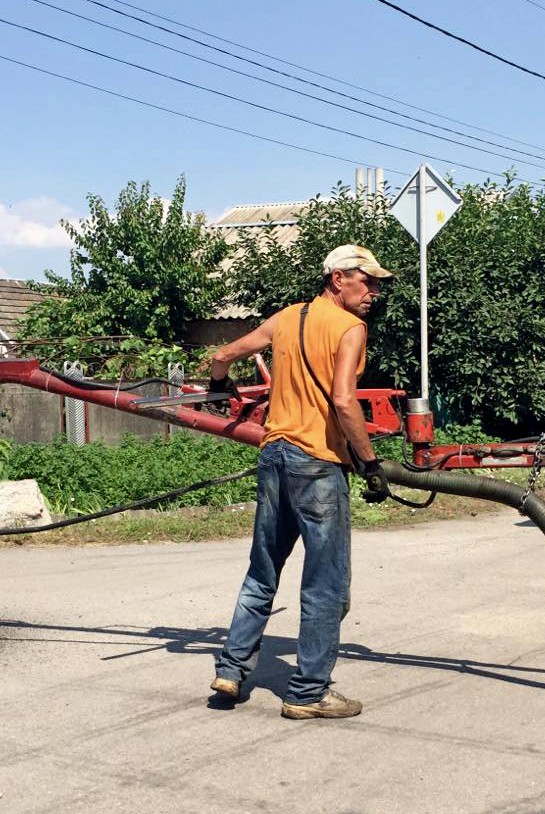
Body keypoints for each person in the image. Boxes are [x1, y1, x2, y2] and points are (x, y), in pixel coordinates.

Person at [206, 244, 394, 720]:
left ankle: (231, 670)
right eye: (366, 281)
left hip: (275, 457)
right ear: (338, 279)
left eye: (375, 284)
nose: (373, 291)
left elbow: (224, 353)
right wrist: (369, 464)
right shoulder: (351, 328)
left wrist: (218, 384)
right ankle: (308, 693)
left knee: (262, 569)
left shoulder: (287, 317)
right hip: (318, 464)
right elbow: (344, 401)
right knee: (325, 584)